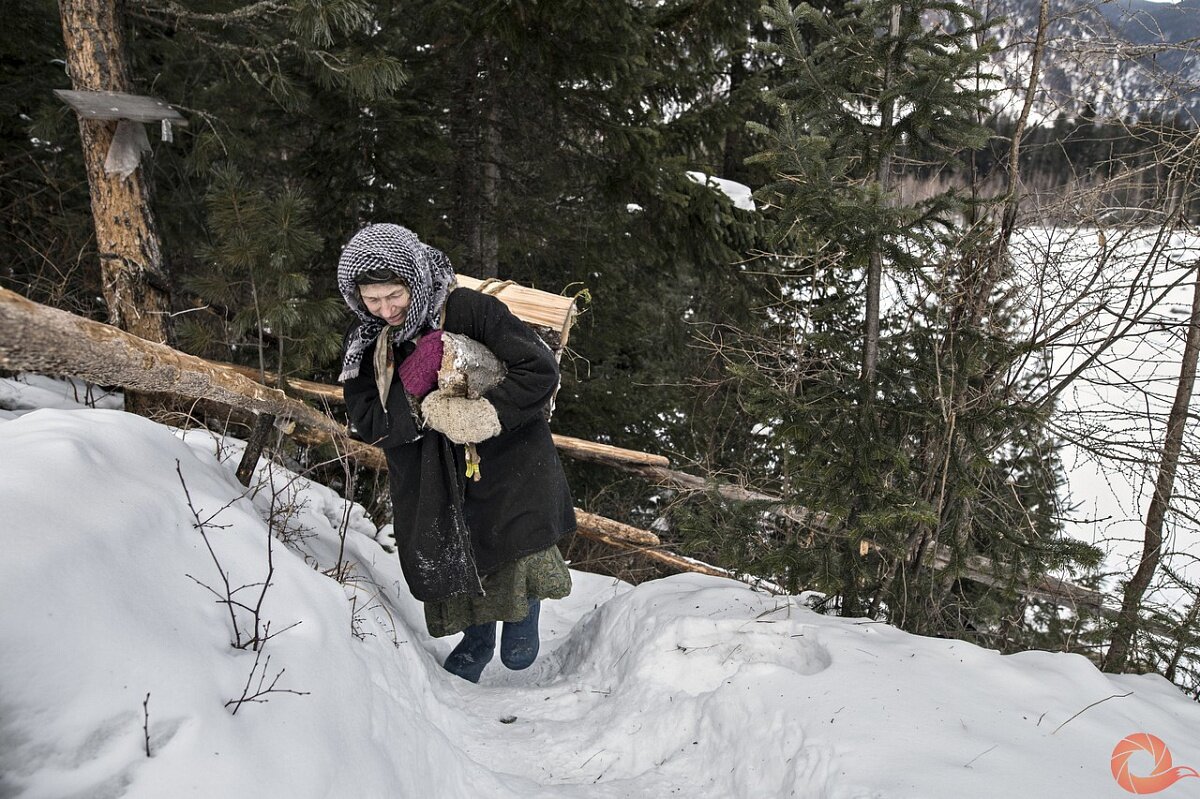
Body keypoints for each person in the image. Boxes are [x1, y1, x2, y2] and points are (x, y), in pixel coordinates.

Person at [337, 223, 575, 683]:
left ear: (414, 278)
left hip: (506, 459)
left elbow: (538, 369)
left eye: (395, 295)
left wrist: (488, 414)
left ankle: (524, 610)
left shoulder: (469, 308)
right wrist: (414, 389)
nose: (386, 310)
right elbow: (367, 420)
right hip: (431, 472)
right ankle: (477, 636)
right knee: (459, 547)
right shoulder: (367, 343)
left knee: (511, 536)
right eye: (372, 300)